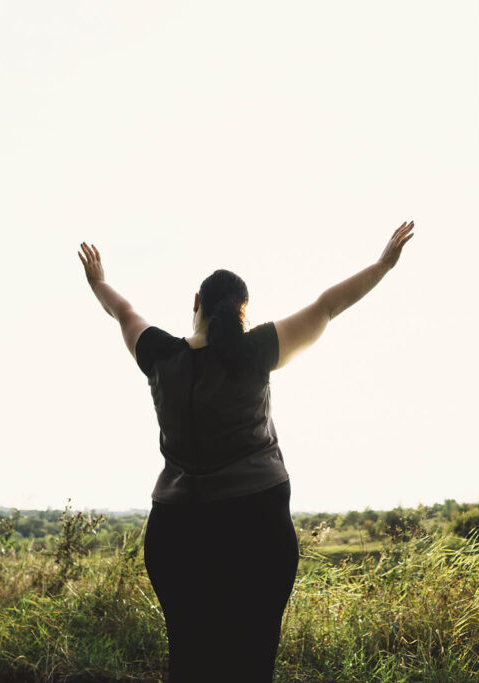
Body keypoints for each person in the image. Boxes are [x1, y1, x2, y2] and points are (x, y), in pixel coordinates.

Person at [77, 220, 416, 682]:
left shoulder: (159, 353)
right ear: (243, 311)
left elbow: (122, 310)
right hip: (256, 528)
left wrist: (98, 281)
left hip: (176, 532)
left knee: (190, 663)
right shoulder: (256, 351)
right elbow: (328, 306)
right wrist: (383, 265)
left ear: (195, 304)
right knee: (251, 665)